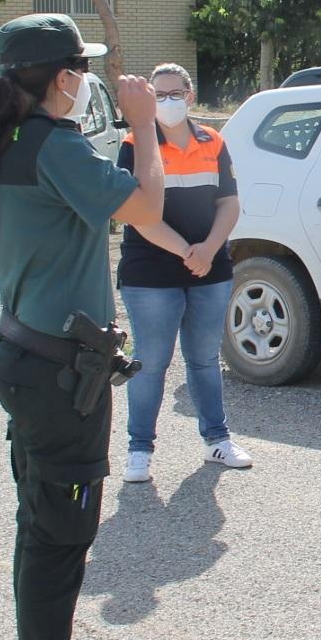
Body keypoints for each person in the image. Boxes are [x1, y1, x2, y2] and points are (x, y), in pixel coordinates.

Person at [0, 13, 185, 640]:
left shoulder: (10, 138)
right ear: (61, 78)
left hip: (32, 358)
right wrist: (144, 126)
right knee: (60, 536)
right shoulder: (51, 145)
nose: (85, 78)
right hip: (59, 372)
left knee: (45, 527)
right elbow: (147, 207)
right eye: (79, 68)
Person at [117, 63, 250, 483]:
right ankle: (139, 450)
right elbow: (138, 215)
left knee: (205, 361)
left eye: (175, 94)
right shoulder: (134, 144)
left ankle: (217, 440)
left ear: (190, 96)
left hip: (210, 270)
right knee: (151, 362)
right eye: (159, 95)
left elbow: (229, 203)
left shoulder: (213, 141)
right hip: (150, 273)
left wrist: (208, 250)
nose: (167, 102)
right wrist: (187, 252)